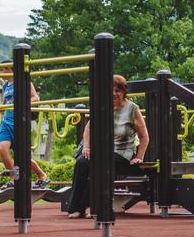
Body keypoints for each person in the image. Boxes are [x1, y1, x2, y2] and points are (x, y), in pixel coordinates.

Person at [64, 75, 150, 218]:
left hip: (122, 153)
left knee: (99, 166)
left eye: (118, 90)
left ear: (124, 92)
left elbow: (144, 137)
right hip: (103, 152)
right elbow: (88, 129)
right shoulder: (103, 106)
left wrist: (140, 157)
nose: (114, 93)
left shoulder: (132, 109)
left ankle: (87, 205)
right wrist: (87, 147)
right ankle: (76, 207)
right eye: (111, 90)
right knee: (82, 163)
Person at [0, 68, 50, 188]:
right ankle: (13, 178)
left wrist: (20, 103)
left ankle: (42, 175)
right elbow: (5, 104)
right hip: (7, 122)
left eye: (2, 70)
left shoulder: (23, 81)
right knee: (2, 149)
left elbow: (35, 98)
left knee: (23, 156)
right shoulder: (6, 85)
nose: (0, 73)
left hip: (19, 122)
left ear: (10, 70)